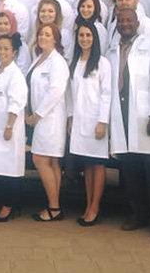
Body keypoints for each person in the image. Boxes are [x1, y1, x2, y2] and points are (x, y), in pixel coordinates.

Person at [108, 8, 150, 239]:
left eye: (129, 20)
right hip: (122, 117)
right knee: (130, 173)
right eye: (121, 20)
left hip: (146, 118)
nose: (124, 24)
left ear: (137, 22)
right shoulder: (112, 50)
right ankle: (138, 214)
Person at [67, 23, 112, 227]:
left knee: (97, 163)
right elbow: (70, 94)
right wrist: (70, 117)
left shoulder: (102, 63)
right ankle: (88, 205)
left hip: (96, 121)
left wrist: (102, 122)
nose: (84, 39)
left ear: (95, 38)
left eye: (88, 35)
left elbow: (106, 94)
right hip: (79, 120)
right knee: (87, 164)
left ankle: (95, 207)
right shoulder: (74, 62)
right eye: (81, 35)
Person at [0, 35, 27, 222]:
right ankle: (7, 203)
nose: (2, 52)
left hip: (8, 129)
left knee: (10, 170)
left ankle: (9, 207)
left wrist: (9, 126)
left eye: (6, 49)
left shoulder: (15, 75)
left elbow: (16, 102)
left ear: (14, 52)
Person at [26, 23, 69, 222]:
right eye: (41, 33)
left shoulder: (57, 62)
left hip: (49, 119)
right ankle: (55, 206)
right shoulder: (39, 58)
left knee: (40, 160)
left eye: (48, 34)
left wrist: (37, 115)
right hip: (42, 118)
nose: (43, 37)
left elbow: (55, 91)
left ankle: (54, 207)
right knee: (51, 162)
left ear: (55, 39)